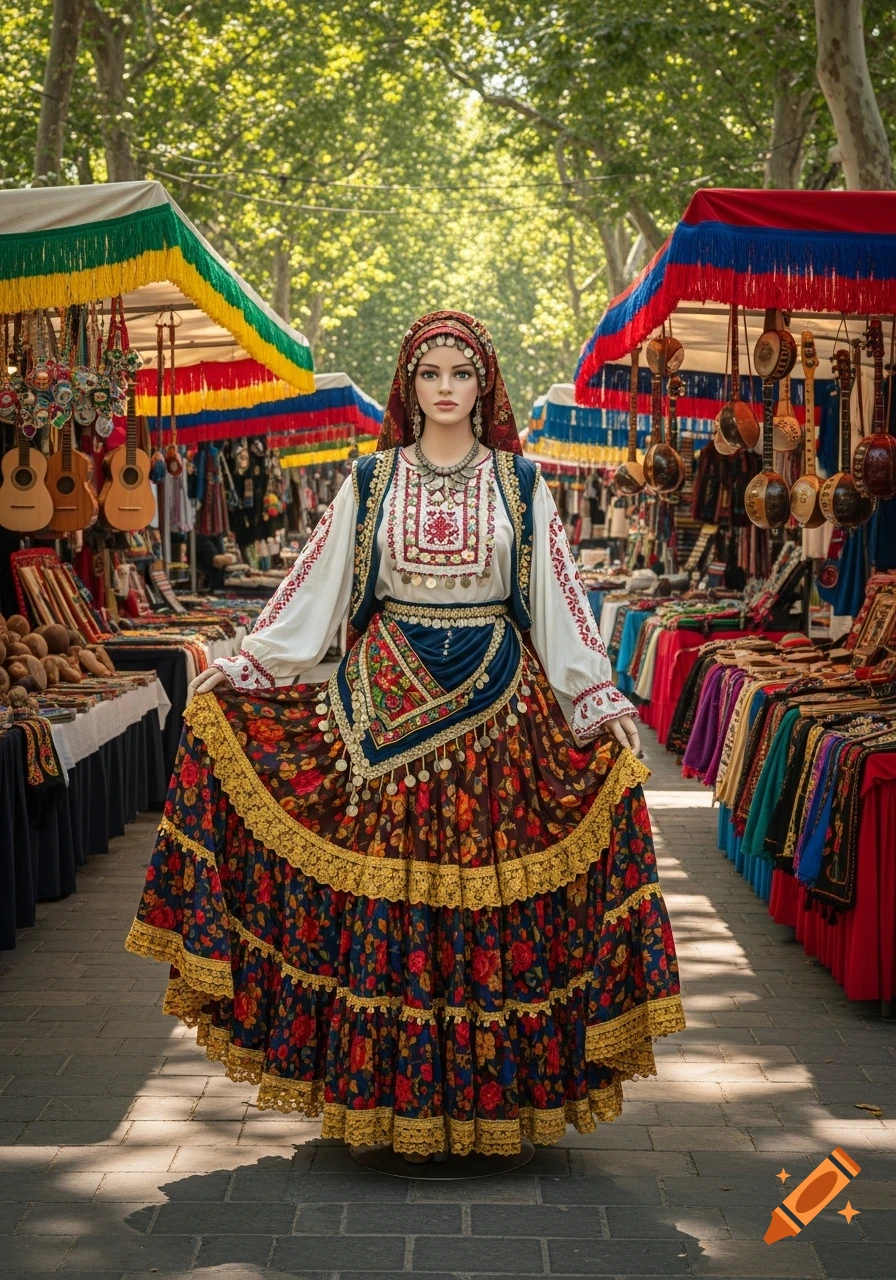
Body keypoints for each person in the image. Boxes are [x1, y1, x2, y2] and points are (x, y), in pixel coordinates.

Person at [126, 310, 684, 1159]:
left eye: (463, 372)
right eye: (432, 373)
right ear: (410, 385)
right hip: (378, 703)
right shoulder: (372, 480)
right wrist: (246, 666)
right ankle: (383, 1097)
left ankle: (485, 1102)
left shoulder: (520, 483)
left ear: (483, 384)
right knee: (382, 897)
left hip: (500, 713)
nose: (448, 387)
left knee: (485, 900)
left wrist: (600, 705)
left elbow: (557, 600)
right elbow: (315, 587)